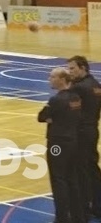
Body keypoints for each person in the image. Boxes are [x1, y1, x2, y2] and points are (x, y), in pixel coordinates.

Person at [39, 66, 85, 223]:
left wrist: (52, 119)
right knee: (72, 179)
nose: (49, 79)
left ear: (62, 79)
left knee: (58, 179)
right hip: (73, 142)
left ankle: (62, 218)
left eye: (52, 77)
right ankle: (78, 216)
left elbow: (41, 116)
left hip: (57, 144)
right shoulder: (75, 98)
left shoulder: (56, 99)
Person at [67, 55, 101, 218]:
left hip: (80, 133)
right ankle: (97, 205)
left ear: (83, 68)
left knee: (81, 170)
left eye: (72, 68)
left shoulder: (78, 87)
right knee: (92, 168)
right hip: (93, 130)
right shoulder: (95, 84)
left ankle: (83, 208)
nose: (69, 72)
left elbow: (69, 110)